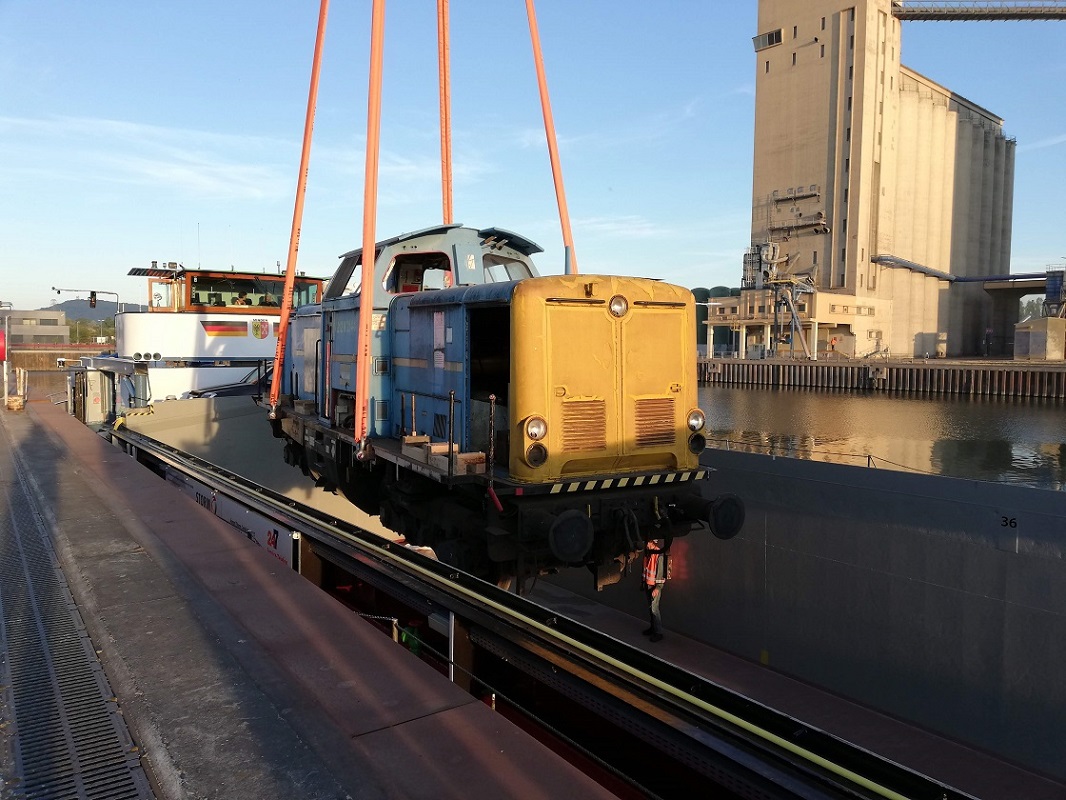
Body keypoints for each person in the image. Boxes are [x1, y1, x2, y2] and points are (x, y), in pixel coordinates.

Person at [642, 537, 671, 643]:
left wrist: (658, 588)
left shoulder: (659, 555)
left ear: (651, 542)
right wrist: (643, 583)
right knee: (651, 608)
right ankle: (652, 628)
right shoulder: (648, 553)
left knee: (654, 609)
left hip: (654, 586)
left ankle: (658, 632)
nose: (646, 544)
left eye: (647, 542)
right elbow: (645, 569)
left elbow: (660, 573)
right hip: (648, 584)